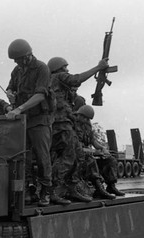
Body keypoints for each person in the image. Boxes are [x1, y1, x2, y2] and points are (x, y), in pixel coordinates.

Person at [4, 39, 65, 206]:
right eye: (14, 60)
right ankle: (29, 190)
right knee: (24, 156)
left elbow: (40, 95)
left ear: (28, 56)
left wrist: (19, 108)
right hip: (24, 120)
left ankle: (46, 190)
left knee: (42, 156)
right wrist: (10, 93)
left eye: (18, 59)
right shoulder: (17, 70)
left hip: (40, 120)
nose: (16, 63)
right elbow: (10, 86)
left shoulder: (42, 68)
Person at [47, 57, 111, 204]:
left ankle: (71, 187)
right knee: (69, 157)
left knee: (78, 156)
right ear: (59, 68)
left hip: (63, 122)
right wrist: (98, 67)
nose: (67, 70)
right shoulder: (58, 76)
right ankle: (53, 190)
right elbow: (76, 79)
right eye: (65, 67)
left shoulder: (55, 81)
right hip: (61, 123)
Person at [75, 105, 124, 198]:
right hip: (76, 155)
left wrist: (102, 148)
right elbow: (75, 146)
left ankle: (111, 186)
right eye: (85, 118)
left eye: (88, 119)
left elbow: (93, 141)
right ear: (80, 115)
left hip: (86, 153)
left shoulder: (87, 126)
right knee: (91, 160)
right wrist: (93, 151)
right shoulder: (72, 126)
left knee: (111, 160)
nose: (86, 121)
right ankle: (98, 188)